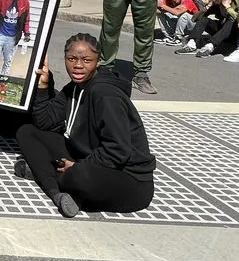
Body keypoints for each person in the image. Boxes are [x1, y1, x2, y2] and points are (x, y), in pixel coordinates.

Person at [14, 33, 156, 218]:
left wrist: (77, 167)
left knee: (79, 177)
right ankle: (58, 192)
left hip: (129, 181)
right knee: (27, 132)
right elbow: (44, 122)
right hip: (89, 160)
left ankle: (47, 177)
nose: (78, 65)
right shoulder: (74, 88)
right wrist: (43, 86)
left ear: (98, 62)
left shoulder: (106, 95)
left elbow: (118, 151)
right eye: (72, 59)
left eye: (86, 60)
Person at [175, 0, 239, 58]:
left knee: (231, 20)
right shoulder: (218, 4)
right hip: (222, 32)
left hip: (235, 34)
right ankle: (191, 44)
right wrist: (208, 7)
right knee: (204, 20)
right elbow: (195, 19)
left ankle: (210, 46)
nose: (217, 3)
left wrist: (228, 7)